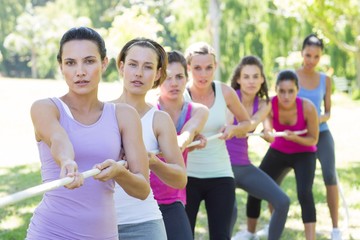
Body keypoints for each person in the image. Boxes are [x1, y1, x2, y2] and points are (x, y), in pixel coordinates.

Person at [25, 27, 150, 240]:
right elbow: (57, 137)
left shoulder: (124, 115)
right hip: (49, 233)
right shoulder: (45, 108)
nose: (80, 71)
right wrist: (66, 161)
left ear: (104, 63)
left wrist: (119, 173)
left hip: (103, 234)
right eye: (70, 63)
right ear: (61, 67)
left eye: (89, 61)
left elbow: (142, 189)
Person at [112, 38, 188, 240]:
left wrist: (152, 161)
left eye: (147, 67)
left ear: (158, 74)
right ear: (121, 67)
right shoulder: (101, 112)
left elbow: (180, 179)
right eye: (133, 64)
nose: (138, 73)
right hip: (101, 223)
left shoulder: (159, 119)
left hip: (144, 223)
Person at [183, 42, 251, 239]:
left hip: (221, 175)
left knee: (221, 236)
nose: (203, 74)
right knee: (185, 235)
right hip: (187, 177)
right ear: (188, 68)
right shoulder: (180, 96)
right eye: (197, 68)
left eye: (208, 68)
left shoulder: (225, 92)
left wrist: (235, 128)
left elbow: (247, 123)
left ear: (216, 66)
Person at [246, 70, 319, 240]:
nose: (286, 96)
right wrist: (267, 133)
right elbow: (268, 128)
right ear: (276, 90)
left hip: (304, 153)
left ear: (298, 90)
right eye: (282, 91)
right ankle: (250, 234)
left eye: (291, 91)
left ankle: (311, 238)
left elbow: (313, 139)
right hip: (279, 151)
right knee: (256, 188)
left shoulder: (308, 107)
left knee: (304, 193)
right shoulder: (270, 104)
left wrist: (296, 138)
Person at [226, 56, 290, 240]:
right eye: (246, 77)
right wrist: (233, 125)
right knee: (231, 212)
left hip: (244, 166)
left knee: (282, 201)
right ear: (238, 79)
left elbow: (258, 124)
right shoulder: (230, 97)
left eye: (256, 76)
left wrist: (268, 134)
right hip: (223, 167)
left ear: (262, 79)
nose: (251, 81)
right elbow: (228, 121)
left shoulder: (263, 104)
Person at [152, 50, 209, 240]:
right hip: (143, 197)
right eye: (168, 78)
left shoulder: (198, 111)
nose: (174, 83)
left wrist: (186, 142)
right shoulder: (149, 110)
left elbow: (187, 132)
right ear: (158, 79)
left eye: (179, 76)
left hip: (173, 197)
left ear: (187, 78)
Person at [296, 33, 342, 240]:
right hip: (297, 137)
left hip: (321, 135)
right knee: (276, 177)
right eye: (308, 55)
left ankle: (335, 228)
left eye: (316, 57)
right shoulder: (291, 75)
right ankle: (273, 221)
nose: (311, 61)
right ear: (302, 53)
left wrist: (315, 120)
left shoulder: (326, 79)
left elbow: (328, 112)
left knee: (330, 176)